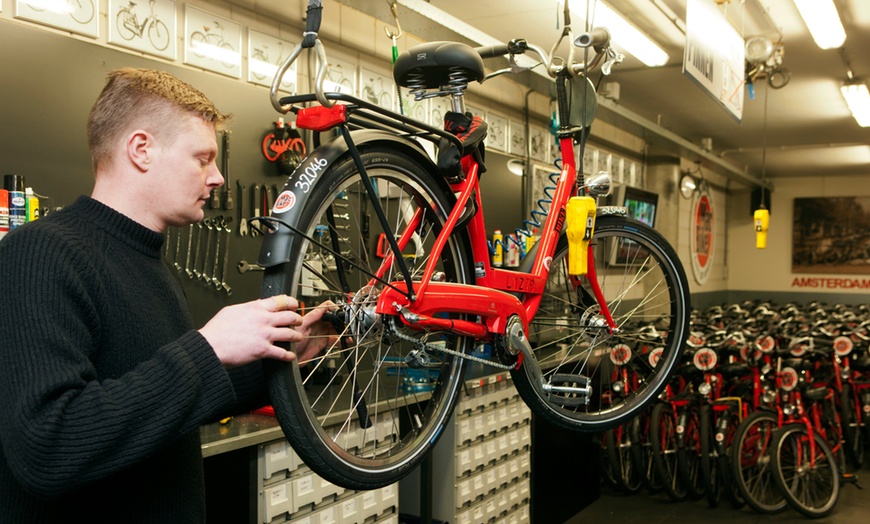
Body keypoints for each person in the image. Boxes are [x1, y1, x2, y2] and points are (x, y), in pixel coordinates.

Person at [0, 68, 330, 522]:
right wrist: (208, 348)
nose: (217, 178)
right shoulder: (39, 254)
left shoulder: (150, 262)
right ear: (142, 150)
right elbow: (49, 445)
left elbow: (165, 398)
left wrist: (289, 354)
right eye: (202, 158)